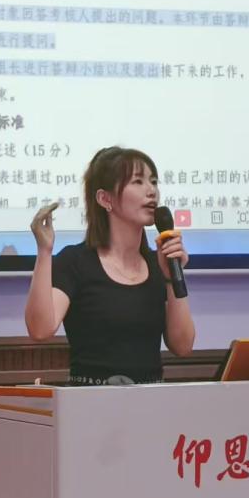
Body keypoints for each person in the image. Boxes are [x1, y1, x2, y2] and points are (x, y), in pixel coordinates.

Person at [24, 146, 195, 385]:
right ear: (105, 199)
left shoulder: (159, 264)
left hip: (151, 400)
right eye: (138, 181)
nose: (151, 191)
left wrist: (171, 278)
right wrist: (44, 251)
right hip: (89, 400)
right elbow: (40, 330)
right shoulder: (75, 262)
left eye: (154, 182)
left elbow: (183, 346)